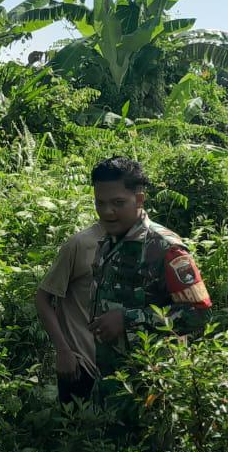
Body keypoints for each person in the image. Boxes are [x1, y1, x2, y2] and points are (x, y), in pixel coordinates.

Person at [86, 157, 212, 400]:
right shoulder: (110, 240)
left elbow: (199, 312)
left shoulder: (165, 247)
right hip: (113, 380)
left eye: (118, 203)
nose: (107, 212)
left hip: (154, 386)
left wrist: (128, 319)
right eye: (100, 203)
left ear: (139, 199)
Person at [35, 222, 104, 403]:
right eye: (103, 206)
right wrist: (63, 351)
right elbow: (43, 299)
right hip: (81, 364)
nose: (111, 211)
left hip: (123, 369)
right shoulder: (80, 244)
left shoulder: (146, 242)